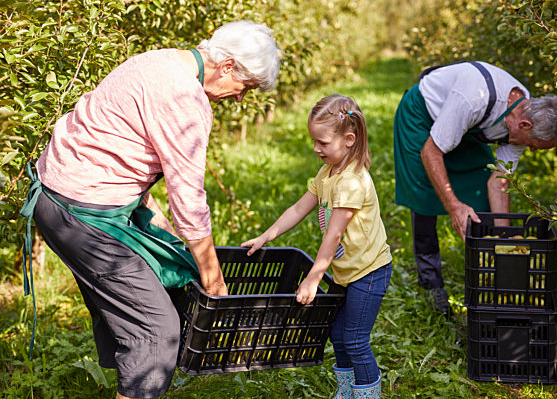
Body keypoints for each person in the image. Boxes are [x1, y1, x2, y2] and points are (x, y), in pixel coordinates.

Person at [20, 21, 280, 399]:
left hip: (54, 196)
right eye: (246, 88)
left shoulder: (156, 62)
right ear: (227, 67)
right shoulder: (186, 101)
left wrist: (161, 228)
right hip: (82, 215)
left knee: (146, 307)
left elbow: (121, 151)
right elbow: (189, 200)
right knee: (156, 333)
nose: (240, 99)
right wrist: (212, 279)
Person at [242, 94, 392, 399]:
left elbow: (334, 235)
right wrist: (267, 235)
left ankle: (368, 395)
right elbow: (299, 209)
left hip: (369, 271)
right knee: (337, 335)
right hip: (346, 271)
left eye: (322, 142)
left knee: (355, 340)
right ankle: (347, 391)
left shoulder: (351, 181)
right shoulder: (328, 173)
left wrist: (313, 277)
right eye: (314, 141)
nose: (315, 149)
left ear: (349, 139)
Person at [393, 61, 557, 317]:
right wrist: (453, 205)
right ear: (524, 126)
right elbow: (432, 151)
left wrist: (506, 244)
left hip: (465, 126)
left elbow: (499, 180)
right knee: (426, 196)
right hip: (421, 115)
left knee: (480, 187)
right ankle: (432, 285)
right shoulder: (473, 98)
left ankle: (491, 275)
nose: (531, 150)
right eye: (534, 145)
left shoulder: (527, 112)